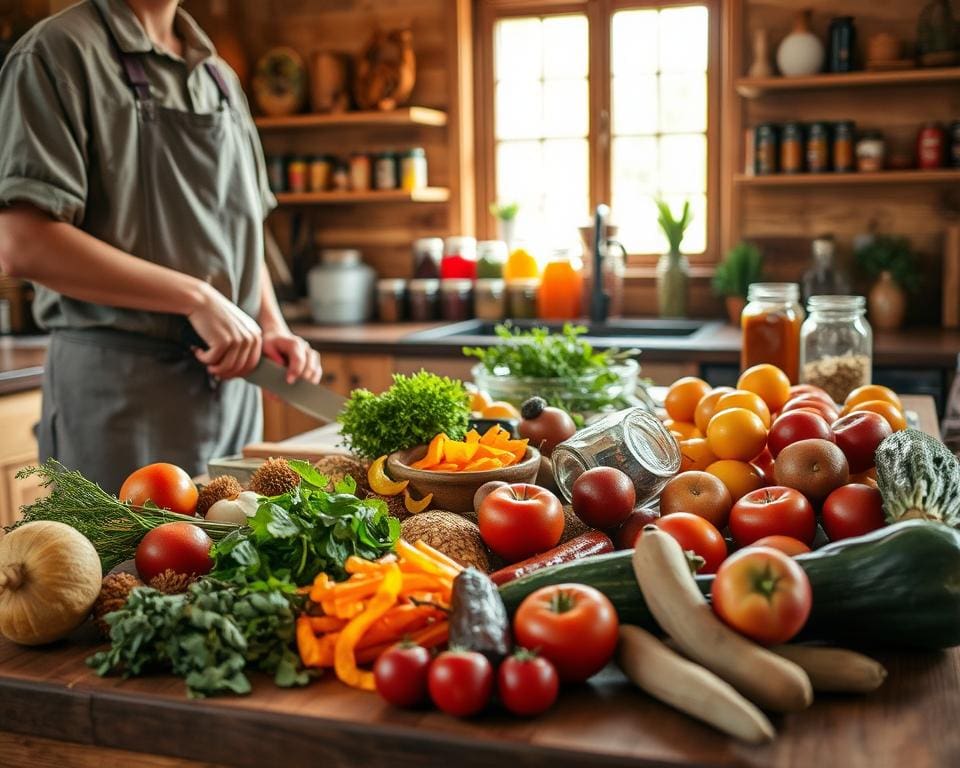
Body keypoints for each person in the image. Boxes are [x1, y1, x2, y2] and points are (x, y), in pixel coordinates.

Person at [0, 0, 322, 493]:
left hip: (231, 399)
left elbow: (244, 225)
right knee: (122, 569)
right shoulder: (55, 54)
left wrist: (269, 324)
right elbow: (23, 243)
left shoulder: (219, 78)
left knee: (238, 564)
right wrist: (197, 298)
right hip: (121, 402)